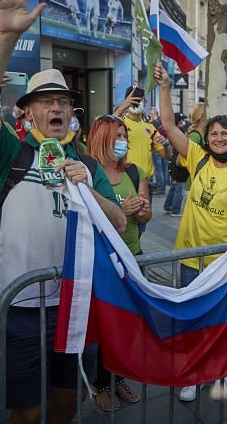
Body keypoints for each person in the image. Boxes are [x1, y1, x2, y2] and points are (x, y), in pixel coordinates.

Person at [0, 0, 126, 424]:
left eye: (63, 101)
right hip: (15, 306)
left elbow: (118, 223)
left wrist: (87, 189)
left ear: (73, 114)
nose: (56, 107)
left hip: (74, 303)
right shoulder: (10, 153)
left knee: (66, 401)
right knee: (24, 410)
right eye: (45, 100)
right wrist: (4, 35)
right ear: (28, 110)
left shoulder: (87, 164)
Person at [155, 63, 227, 403]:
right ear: (206, 137)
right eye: (214, 133)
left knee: (221, 321)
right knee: (191, 319)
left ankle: (222, 372)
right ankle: (192, 374)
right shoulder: (196, 157)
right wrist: (166, 87)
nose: (219, 138)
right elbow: (168, 125)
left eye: (225, 134)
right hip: (189, 257)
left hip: (222, 261)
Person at [85, 115, 148, 411]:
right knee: (102, 329)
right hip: (103, 262)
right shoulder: (88, 172)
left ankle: (118, 378)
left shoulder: (134, 172)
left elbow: (146, 218)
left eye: (124, 135)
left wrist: (142, 209)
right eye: (117, 135)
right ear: (102, 139)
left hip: (132, 258)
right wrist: (119, 209)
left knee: (126, 327)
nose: (122, 141)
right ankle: (98, 384)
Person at [163, 111, 189, 216]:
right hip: (177, 163)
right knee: (179, 187)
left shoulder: (178, 131)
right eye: (182, 120)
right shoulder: (176, 132)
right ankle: (175, 209)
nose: (183, 122)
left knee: (174, 186)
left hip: (173, 162)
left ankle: (168, 206)